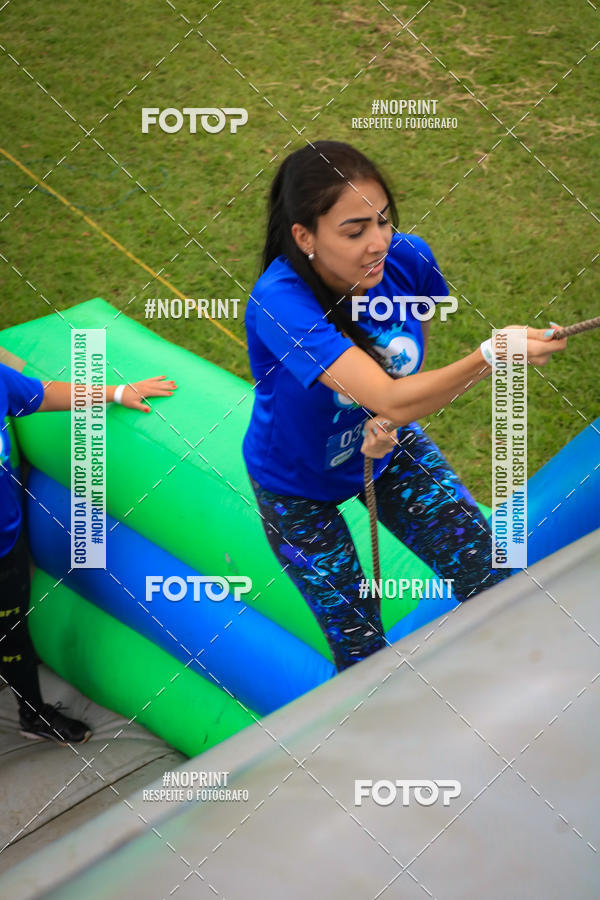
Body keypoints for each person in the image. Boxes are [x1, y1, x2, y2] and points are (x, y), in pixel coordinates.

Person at [242, 140, 567, 673]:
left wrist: (394, 417)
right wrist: (489, 356)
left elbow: (405, 375)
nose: (378, 244)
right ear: (305, 237)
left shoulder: (410, 259)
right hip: (295, 484)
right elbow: (391, 393)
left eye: (383, 221)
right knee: (360, 644)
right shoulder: (279, 301)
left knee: (491, 575)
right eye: (354, 232)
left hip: (387, 446)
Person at [0, 361, 177, 743]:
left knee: (12, 635)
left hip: (6, 545)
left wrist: (116, 393)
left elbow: (40, 394)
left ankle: (32, 715)